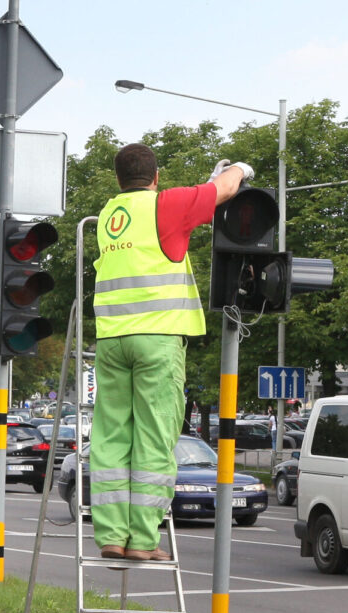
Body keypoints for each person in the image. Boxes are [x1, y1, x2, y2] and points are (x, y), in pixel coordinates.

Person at [89, 143, 252, 560]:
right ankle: (143, 540)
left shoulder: (109, 216)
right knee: (154, 435)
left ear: (118, 179)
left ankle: (109, 536)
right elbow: (225, 188)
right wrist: (239, 167)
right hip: (157, 338)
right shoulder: (167, 205)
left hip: (110, 339)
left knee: (111, 436)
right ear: (156, 177)